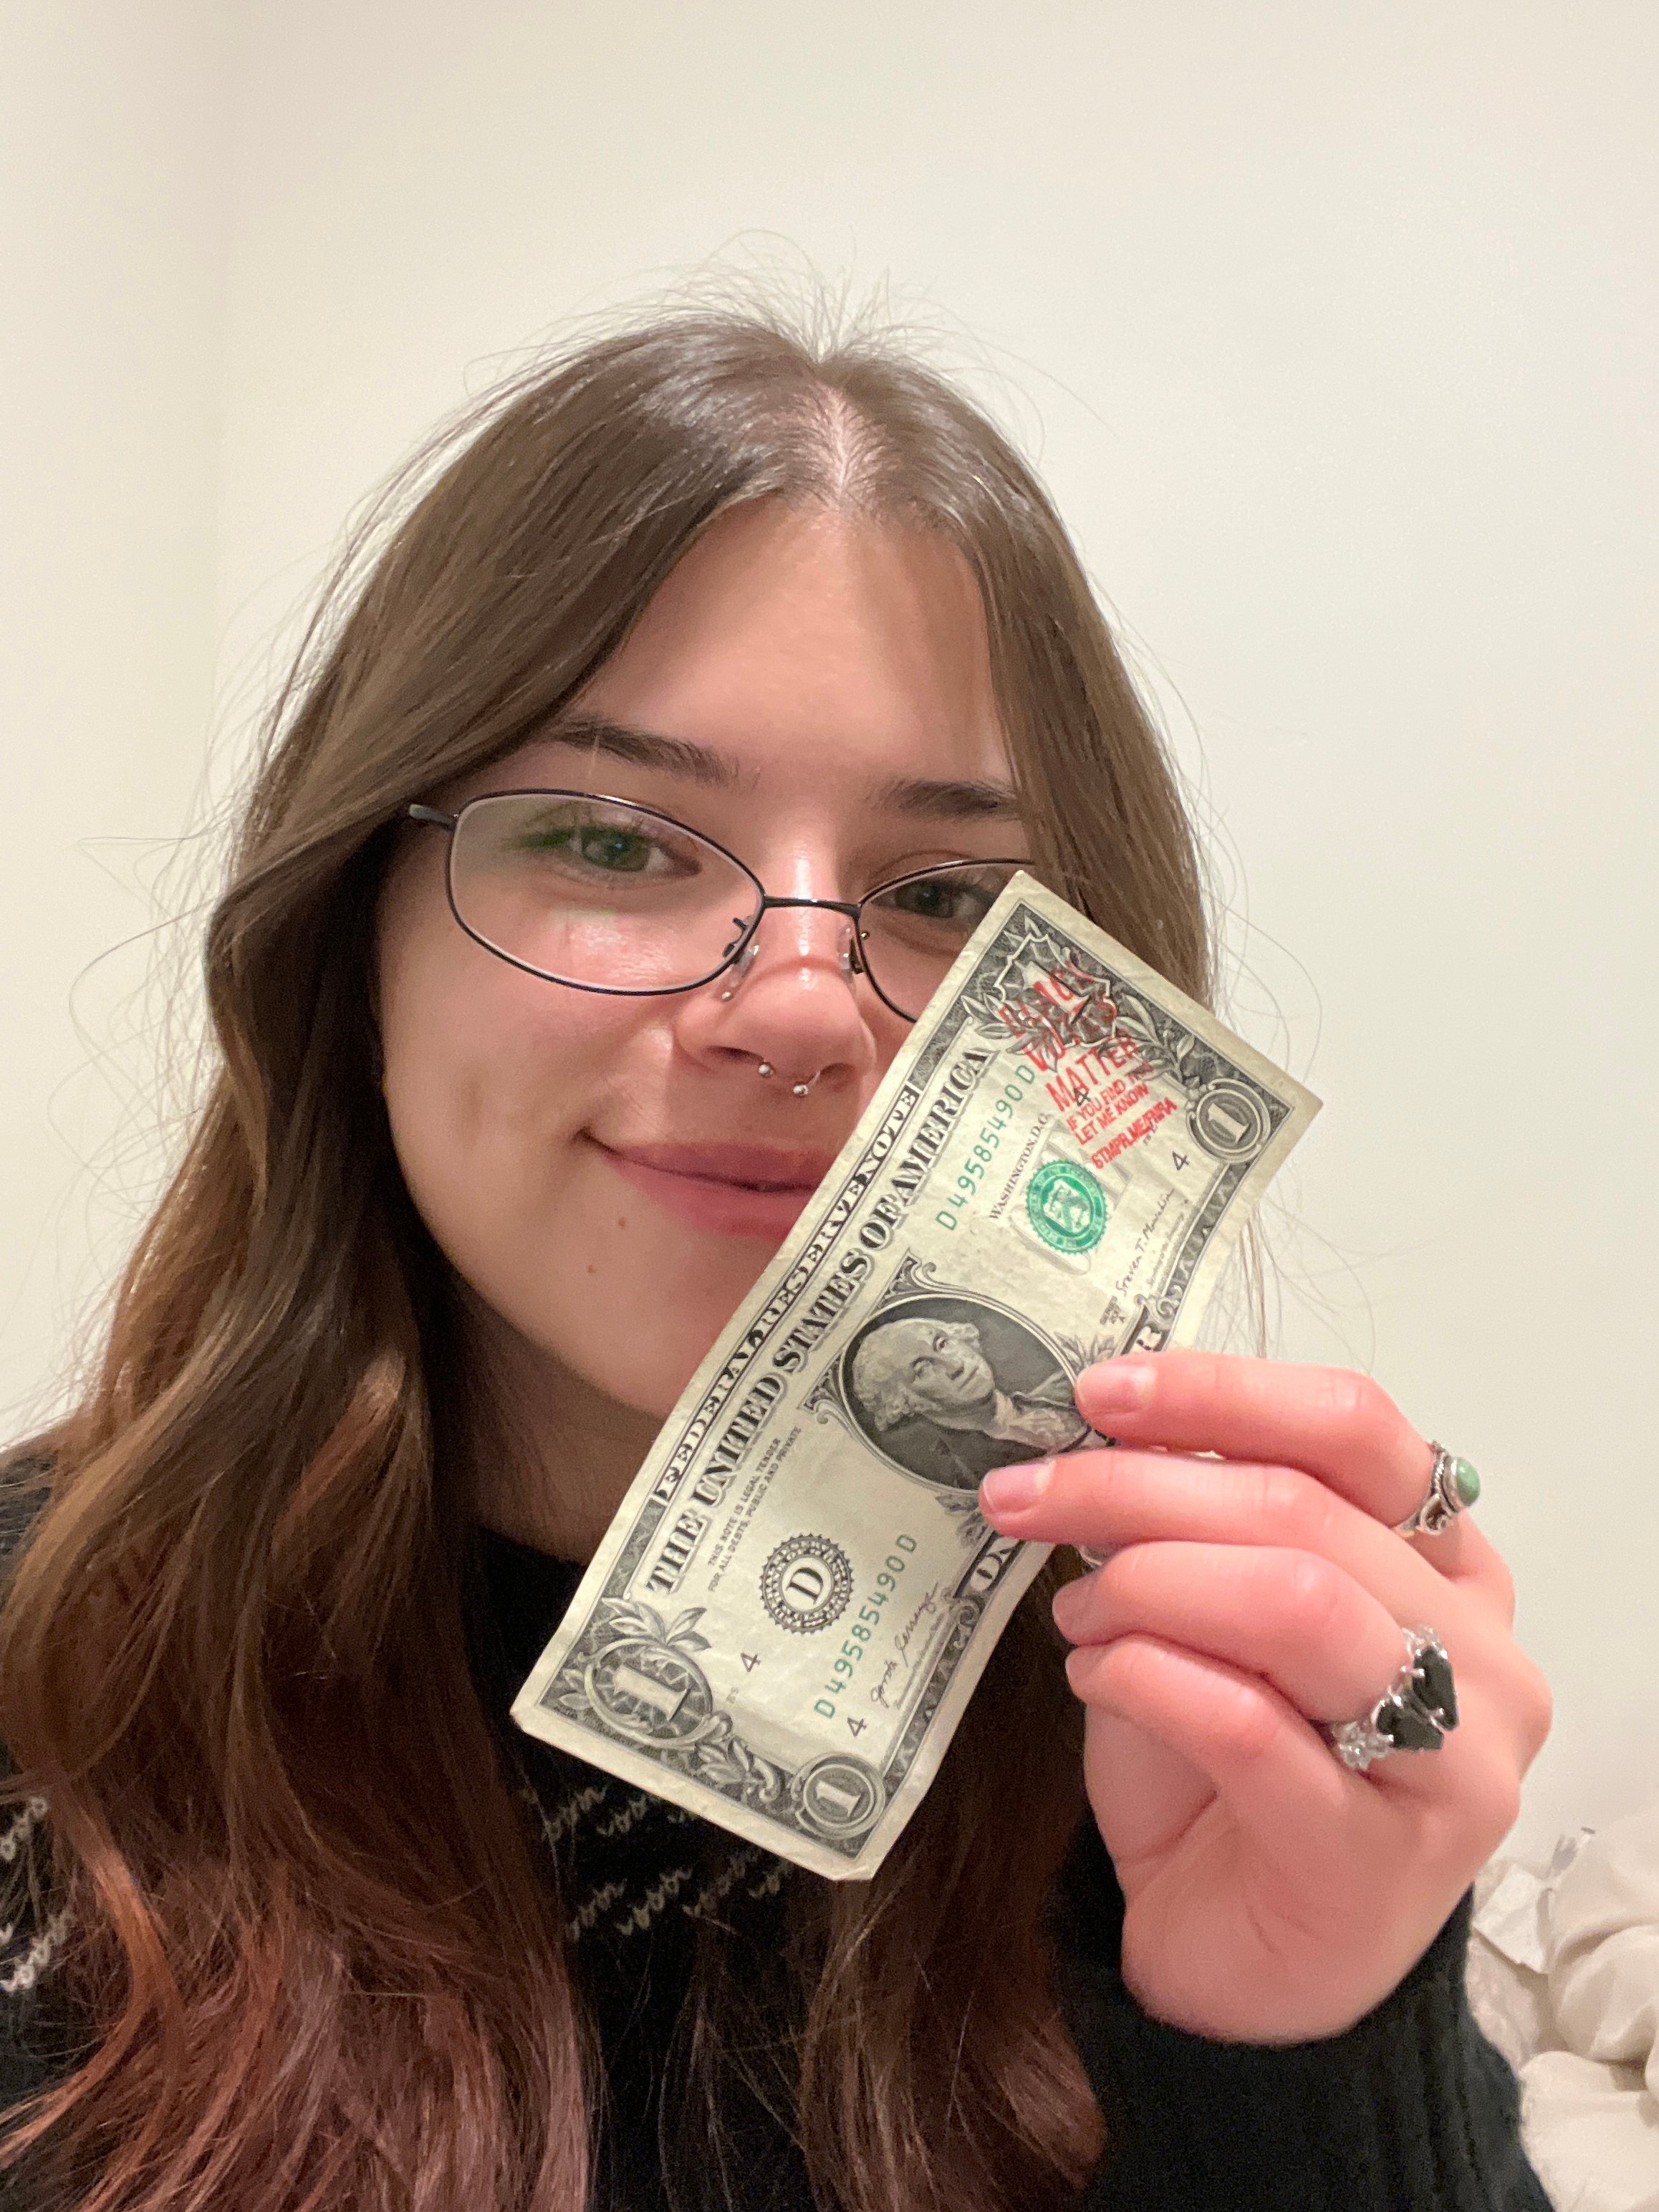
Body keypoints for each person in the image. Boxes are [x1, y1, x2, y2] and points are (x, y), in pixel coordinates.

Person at [0, 309, 1552, 2212]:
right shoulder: (39, 1698)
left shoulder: (1174, 1743)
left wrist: (1308, 2055)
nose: (805, 1005)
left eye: (947, 893)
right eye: (611, 840)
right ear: (351, 943)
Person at [850, 1313, 1094, 1486]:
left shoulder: (1066, 1387)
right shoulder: (978, 1477)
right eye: (924, 1369)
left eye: (942, 1344)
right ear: (904, 1402)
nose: (954, 1365)